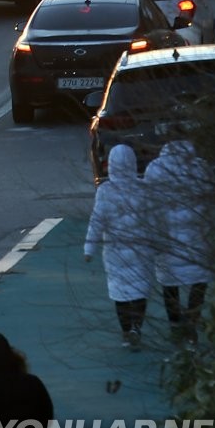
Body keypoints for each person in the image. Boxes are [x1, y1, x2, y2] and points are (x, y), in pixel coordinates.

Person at [143, 139, 214, 344]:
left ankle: (174, 323)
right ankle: (193, 318)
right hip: (197, 236)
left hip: (166, 238)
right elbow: (214, 194)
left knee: (169, 282)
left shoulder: (155, 169)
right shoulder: (201, 167)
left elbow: (147, 203)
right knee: (199, 279)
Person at [84, 144, 154, 349]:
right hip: (141, 251)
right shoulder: (143, 188)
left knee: (120, 291)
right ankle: (137, 328)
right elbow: (152, 219)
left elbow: (97, 222)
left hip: (115, 252)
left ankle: (125, 332)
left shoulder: (106, 191)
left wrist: (89, 249)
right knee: (140, 290)